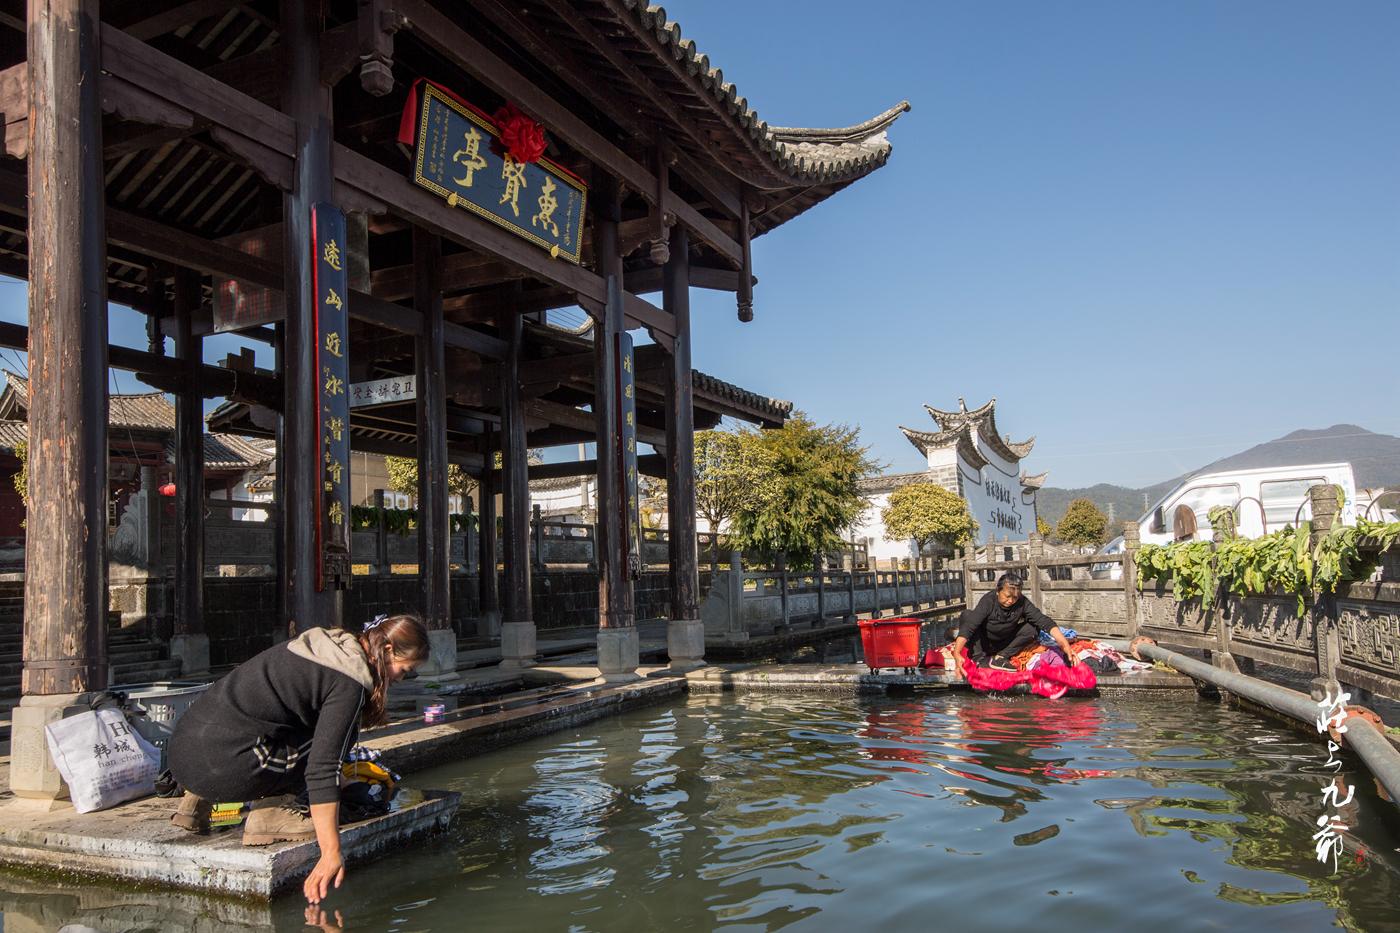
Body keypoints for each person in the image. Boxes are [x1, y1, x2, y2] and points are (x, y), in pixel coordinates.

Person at [166, 614, 430, 904]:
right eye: (404, 670)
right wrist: (330, 852)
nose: (400, 678)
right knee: (339, 742)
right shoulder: (349, 680)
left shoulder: (326, 646)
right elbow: (323, 767)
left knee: (293, 730)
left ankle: (195, 801)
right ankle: (272, 813)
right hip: (226, 765)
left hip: (185, 754)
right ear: (389, 650)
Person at [953, 573, 1079, 679]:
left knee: (1033, 627)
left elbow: (1044, 621)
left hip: (1005, 643)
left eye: (1015, 597)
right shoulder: (988, 600)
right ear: (998, 591)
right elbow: (969, 626)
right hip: (984, 642)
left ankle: (1001, 657)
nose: (1011, 601)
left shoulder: (1022, 602)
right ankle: (979, 660)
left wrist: (1065, 645)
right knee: (967, 615)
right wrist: (957, 653)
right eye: (1007, 596)